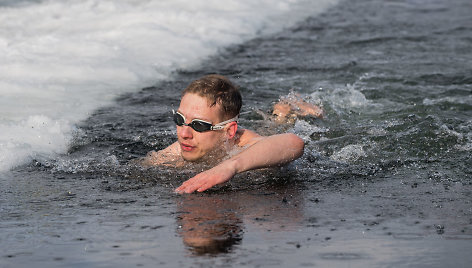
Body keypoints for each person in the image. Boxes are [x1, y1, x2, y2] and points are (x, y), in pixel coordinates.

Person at [141, 74, 317, 194]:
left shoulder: (245, 148)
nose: (184, 133)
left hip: (263, 141)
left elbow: (294, 143)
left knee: (276, 126)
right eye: (179, 119)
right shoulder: (175, 153)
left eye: (199, 125)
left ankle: (286, 112)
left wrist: (229, 166)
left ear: (229, 131)